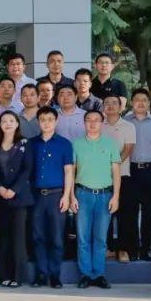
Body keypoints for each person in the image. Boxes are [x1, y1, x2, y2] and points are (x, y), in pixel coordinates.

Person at [72, 110, 122, 289]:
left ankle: (98, 274)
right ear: (84, 123)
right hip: (82, 194)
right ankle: (85, 274)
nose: (92, 123)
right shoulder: (76, 144)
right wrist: (71, 196)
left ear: (102, 123)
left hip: (104, 195)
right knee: (83, 237)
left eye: (96, 120)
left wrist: (116, 196)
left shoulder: (110, 144)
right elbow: (71, 172)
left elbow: (116, 172)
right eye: (89, 120)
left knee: (100, 238)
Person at [27, 107, 74, 288]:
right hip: (36, 196)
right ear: (38, 122)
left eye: (50, 119)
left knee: (56, 237)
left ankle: (55, 275)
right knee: (38, 236)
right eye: (42, 119)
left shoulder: (64, 144)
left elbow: (68, 171)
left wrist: (66, 196)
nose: (46, 123)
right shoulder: (31, 144)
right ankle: (41, 274)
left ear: (56, 121)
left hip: (56, 196)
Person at [122, 88, 151, 263]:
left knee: (149, 212)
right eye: (137, 99)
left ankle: (146, 249)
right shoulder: (125, 121)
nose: (140, 102)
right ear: (132, 102)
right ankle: (132, 249)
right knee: (130, 212)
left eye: (144, 100)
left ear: (148, 103)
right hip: (130, 171)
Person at [0, 111, 33, 288]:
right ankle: (4, 275)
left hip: (19, 198)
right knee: (4, 238)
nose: (7, 124)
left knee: (18, 238)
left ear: (17, 123)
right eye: (4, 121)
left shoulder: (24, 143)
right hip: (1, 198)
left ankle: (17, 276)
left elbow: (27, 170)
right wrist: (0, 187)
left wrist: (13, 190)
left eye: (11, 120)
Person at [101, 94, 135, 261]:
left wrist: (113, 166)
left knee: (123, 213)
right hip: (101, 177)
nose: (110, 105)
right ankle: (109, 248)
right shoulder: (99, 125)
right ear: (103, 107)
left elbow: (128, 149)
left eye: (114, 103)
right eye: (107, 103)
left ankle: (123, 249)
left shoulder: (128, 126)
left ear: (121, 107)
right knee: (105, 213)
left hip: (122, 175)